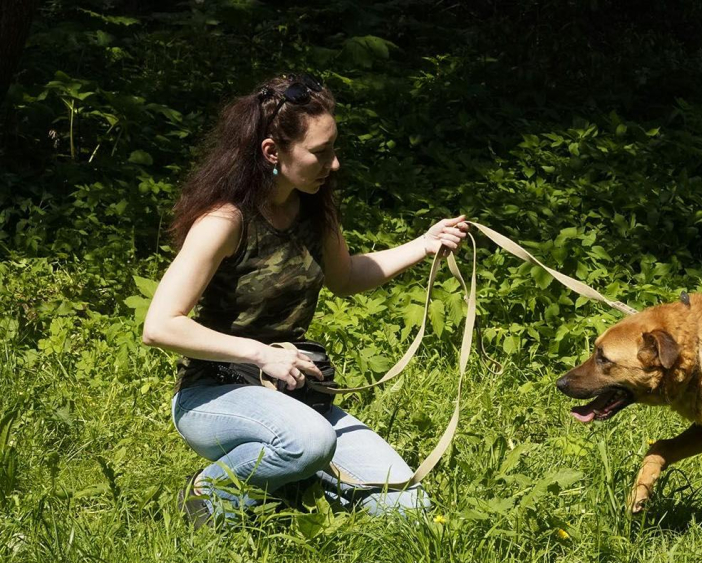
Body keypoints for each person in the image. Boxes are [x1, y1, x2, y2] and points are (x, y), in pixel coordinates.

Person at [141, 72, 468, 527]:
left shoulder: (314, 207)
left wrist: (424, 244)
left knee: (408, 511)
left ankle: (287, 477)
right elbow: (159, 326)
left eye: (334, 148)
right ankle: (208, 495)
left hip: (293, 398)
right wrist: (260, 354)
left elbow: (347, 276)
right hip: (213, 394)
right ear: (273, 152)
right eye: (320, 152)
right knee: (309, 442)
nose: (333, 165)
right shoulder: (225, 220)